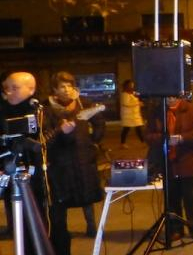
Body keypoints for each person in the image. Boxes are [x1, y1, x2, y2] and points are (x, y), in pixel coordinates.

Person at [43, 71, 105, 254]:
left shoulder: (82, 104)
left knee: (86, 196)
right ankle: (60, 246)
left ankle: (92, 226)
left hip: (82, 159)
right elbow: (45, 139)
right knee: (58, 210)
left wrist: (94, 139)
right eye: (62, 86)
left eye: (70, 85)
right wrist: (60, 131)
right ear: (54, 89)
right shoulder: (47, 109)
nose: (67, 90)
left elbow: (99, 124)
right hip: (59, 165)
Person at [145, 96, 193, 241]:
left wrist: (182, 138)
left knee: (191, 198)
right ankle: (176, 229)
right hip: (167, 162)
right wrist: (163, 138)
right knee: (172, 199)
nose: (170, 99)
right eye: (166, 96)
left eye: (173, 96)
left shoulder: (191, 109)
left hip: (188, 160)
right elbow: (147, 135)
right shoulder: (157, 112)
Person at [0, 72, 48, 246]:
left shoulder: (41, 112)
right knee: (18, 221)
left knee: (39, 221)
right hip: (9, 173)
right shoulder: (2, 111)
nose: (9, 92)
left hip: (37, 178)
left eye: (15, 88)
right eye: (7, 88)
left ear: (32, 89)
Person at [119, 79, 144, 149]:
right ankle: (122, 143)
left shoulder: (132, 93)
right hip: (128, 116)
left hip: (135, 116)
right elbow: (126, 103)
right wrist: (138, 103)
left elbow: (137, 98)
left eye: (132, 85)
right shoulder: (124, 94)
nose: (132, 86)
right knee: (126, 129)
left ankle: (143, 142)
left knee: (139, 129)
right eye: (130, 85)